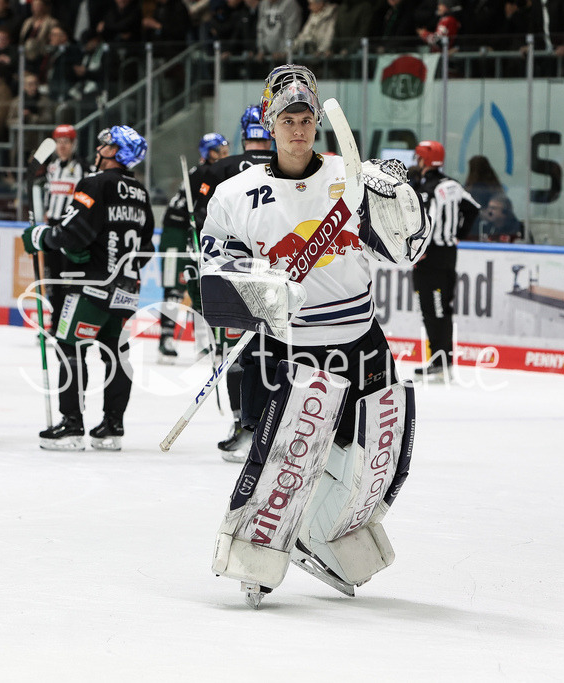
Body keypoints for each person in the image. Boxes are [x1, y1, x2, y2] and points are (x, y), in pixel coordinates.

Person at [199, 65, 428, 602]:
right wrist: (259, 288)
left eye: (305, 118)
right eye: (287, 119)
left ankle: (329, 536)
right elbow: (215, 267)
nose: (298, 128)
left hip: (363, 338)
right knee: (290, 456)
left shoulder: (353, 178)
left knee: (383, 454)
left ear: (316, 122)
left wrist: (402, 204)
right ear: (269, 123)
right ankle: (255, 553)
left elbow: (406, 250)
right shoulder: (236, 194)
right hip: (297, 344)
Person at [21, 125, 153, 452]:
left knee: (69, 347)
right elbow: (147, 247)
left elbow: (72, 232)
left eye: (105, 144)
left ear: (115, 152)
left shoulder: (94, 183)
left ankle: (71, 425)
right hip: (125, 290)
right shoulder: (140, 192)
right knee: (116, 354)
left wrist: (40, 238)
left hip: (89, 286)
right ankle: (112, 426)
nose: (99, 148)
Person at [192, 104, 274, 462]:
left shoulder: (222, 168)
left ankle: (244, 426)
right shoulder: (289, 167)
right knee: (277, 354)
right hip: (283, 278)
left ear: (243, 132)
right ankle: (277, 425)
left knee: (239, 354)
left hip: (235, 279)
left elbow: (200, 218)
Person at [156, 131, 228, 363]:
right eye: (221, 152)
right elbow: (200, 206)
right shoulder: (203, 173)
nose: (226, 156)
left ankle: (201, 339)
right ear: (209, 153)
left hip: (192, 231)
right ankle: (166, 338)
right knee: (174, 285)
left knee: (199, 285)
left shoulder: (213, 171)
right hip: (175, 232)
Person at [410, 139, 479, 377]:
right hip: (449, 254)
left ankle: (440, 361)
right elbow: (473, 208)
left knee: (432, 308)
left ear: (424, 160)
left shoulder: (427, 191)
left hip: (430, 256)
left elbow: (425, 222)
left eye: (418, 157)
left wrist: (420, 250)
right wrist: (457, 234)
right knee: (444, 307)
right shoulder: (453, 185)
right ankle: (444, 359)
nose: (416, 162)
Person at [33, 124, 91, 337]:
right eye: (58, 142)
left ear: (74, 144)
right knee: (52, 280)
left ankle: (66, 326)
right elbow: (49, 195)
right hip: (52, 228)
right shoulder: (52, 167)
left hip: (72, 230)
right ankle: (54, 323)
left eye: (66, 141)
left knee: (69, 282)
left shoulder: (84, 168)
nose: (62, 146)